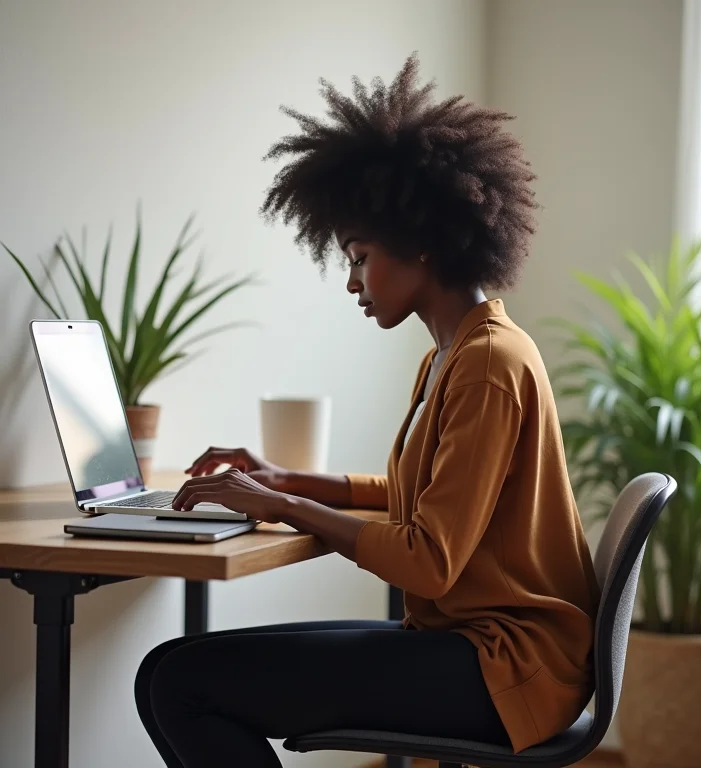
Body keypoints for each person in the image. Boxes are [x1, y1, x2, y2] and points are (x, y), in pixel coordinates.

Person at [135, 54, 600, 768]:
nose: (351, 280)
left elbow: (430, 561)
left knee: (183, 686)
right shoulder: (455, 352)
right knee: (166, 670)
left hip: (505, 669)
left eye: (358, 256)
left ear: (421, 242)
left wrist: (280, 506)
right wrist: (287, 480)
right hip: (477, 649)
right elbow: (426, 505)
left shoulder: (487, 364)